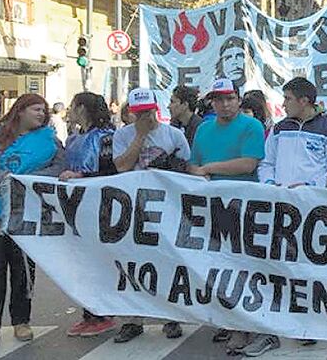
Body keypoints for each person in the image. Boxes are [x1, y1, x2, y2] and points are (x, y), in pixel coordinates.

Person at [187, 79, 271, 356]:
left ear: (238, 99)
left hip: (245, 208)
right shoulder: (203, 129)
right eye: (219, 99)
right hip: (212, 207)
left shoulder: (251, 126)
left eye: (229, 98)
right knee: (219, 265)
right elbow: (192, 163)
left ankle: (254, 327)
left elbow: (248, 163)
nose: (224, 104)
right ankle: (234, 322)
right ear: (211, 102)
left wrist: (209, 168)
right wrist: (198, 171)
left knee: (247, 266)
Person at [0, 94, 64, 346]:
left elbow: (60, 167)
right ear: (20, 111)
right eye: (37, 109)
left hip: (26, 215)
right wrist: (0, 177)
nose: (42, 114)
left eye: (45, 110)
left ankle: (21, 321)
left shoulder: (50, 139)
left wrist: (29, 180)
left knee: (23, 271)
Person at [112, 88, 191, 344]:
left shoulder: (173, 134)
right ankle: (133, 320)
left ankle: (171, 317)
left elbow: (186, 170)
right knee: (132, 263)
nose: (143, 117)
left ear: (156, 109)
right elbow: (122, 165)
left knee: (168, 262)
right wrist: (140, 136)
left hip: (166, 208)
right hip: (134, 207)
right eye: (138, 113)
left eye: (147, 112)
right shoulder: (123, 135)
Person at [59, 92, 118, 337]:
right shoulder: (74, 138)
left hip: (100, 206)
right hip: (75, 207)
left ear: (82, 108)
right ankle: (89, 312)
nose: (69, 111)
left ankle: (103, 313)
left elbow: (110, 171)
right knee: (81, 262)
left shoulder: (106, 138)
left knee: (99, 261)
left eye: (72, 106)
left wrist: (82, 177)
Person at [259, 77, 327, 189]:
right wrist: (269, 183)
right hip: (280, 199)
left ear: (304, 101)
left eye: (288, 99)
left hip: (315, 201)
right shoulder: (278, 128)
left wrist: (310, 186)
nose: (283, 104)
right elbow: (266, 163)